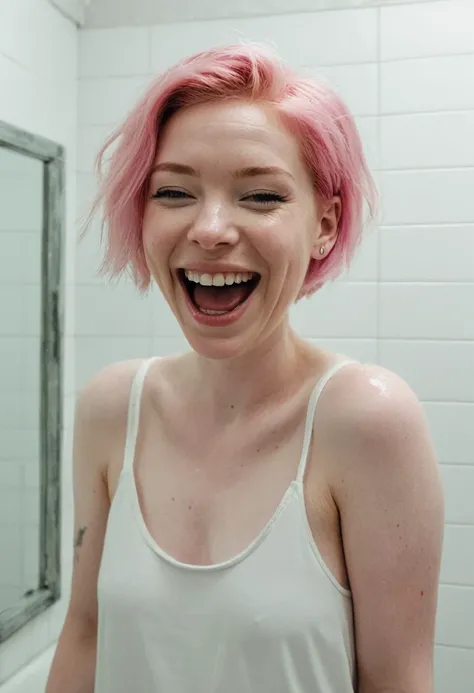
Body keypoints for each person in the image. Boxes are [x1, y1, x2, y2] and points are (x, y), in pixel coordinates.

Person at [46, 43, 444, 693]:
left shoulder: (367, 422)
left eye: (259, 196)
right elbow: (85, 634)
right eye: (173, 191)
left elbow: (398, 679)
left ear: (323, 223)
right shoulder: (110, 406)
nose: (210, 228)